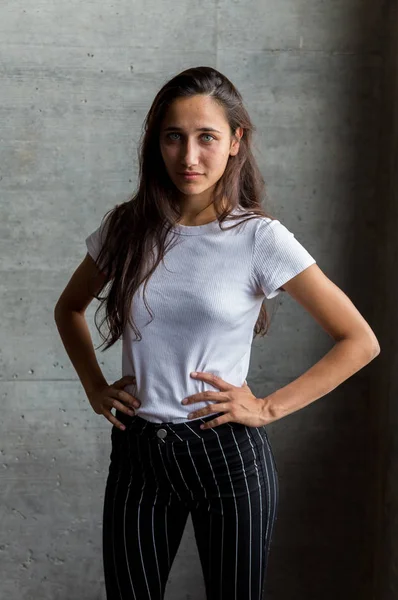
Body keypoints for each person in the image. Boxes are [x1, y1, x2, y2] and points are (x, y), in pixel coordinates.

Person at [54, 66, 380, 600]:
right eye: (174, 137)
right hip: (140, 456)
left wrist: (269, 407)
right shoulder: (126, 228)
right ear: (156, 143)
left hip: (227, 459)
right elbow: (68, 308)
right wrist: (95, 386)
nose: (189, 156)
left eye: (207, 137)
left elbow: (359, 340)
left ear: (235, 142)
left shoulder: (258, 238)